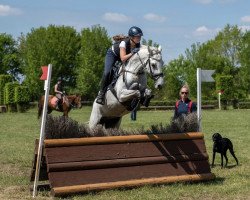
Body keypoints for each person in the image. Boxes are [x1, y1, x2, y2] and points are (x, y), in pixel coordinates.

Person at [95, 26, 143, 105]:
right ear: (131, 37)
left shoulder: (138, 44)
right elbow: (123, 58)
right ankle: (101, 94)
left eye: (140, 36)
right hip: (113, 55)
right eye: (137, 36)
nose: (139, 38)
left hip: (124, 56)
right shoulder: (124, 43)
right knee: (107, 72)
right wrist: (132, 53)